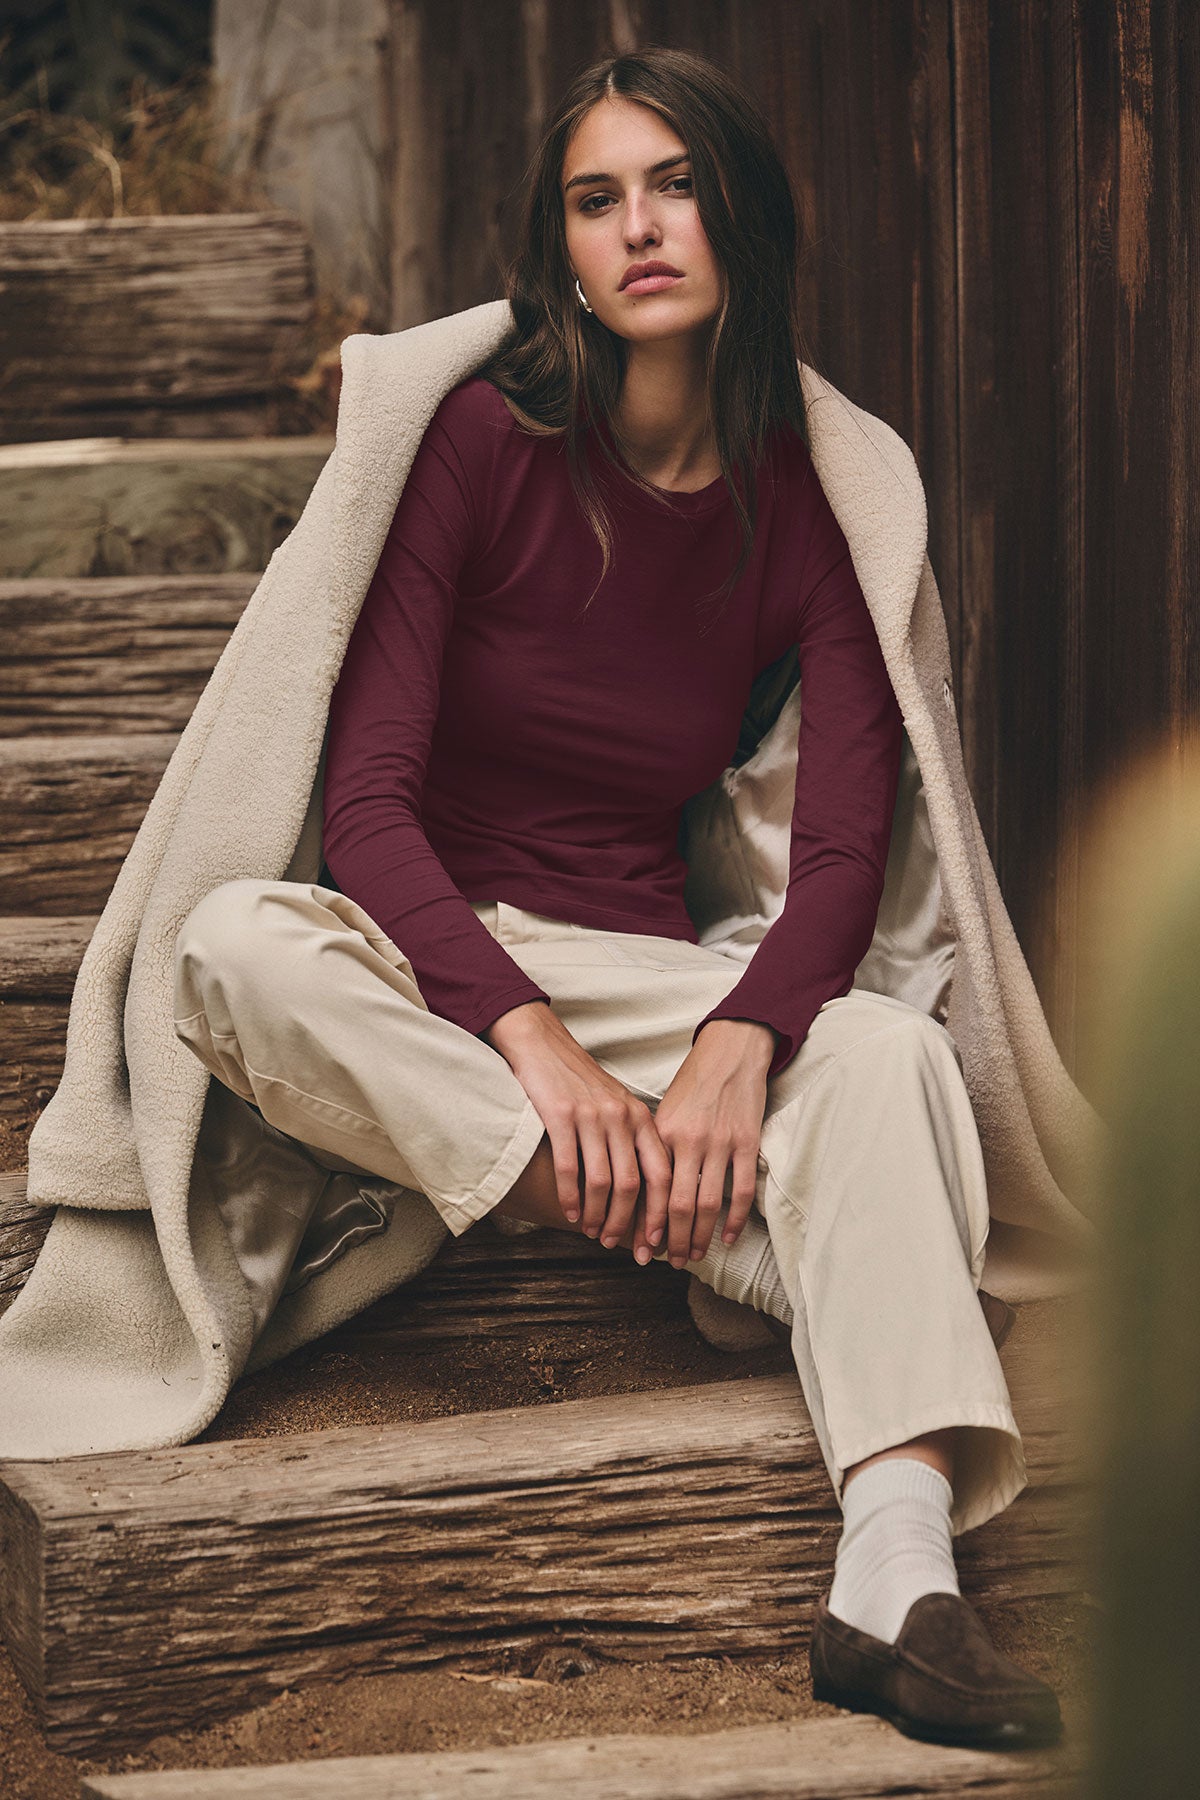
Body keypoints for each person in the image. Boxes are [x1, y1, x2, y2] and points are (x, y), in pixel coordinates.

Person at [171, 47, 1061, 1749]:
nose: (641, 227)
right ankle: (682, 1220)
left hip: (640, 967)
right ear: (558, 247)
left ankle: (895, 1572)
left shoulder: (821, 499)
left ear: (742, 214)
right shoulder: (477, 446)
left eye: (674, 185)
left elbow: (848, 856)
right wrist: (528, 1049)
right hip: (427, 969)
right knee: (231, 949)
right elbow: (359, 805)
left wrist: (738, 1037)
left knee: (879, 1055)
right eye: (597, 198)